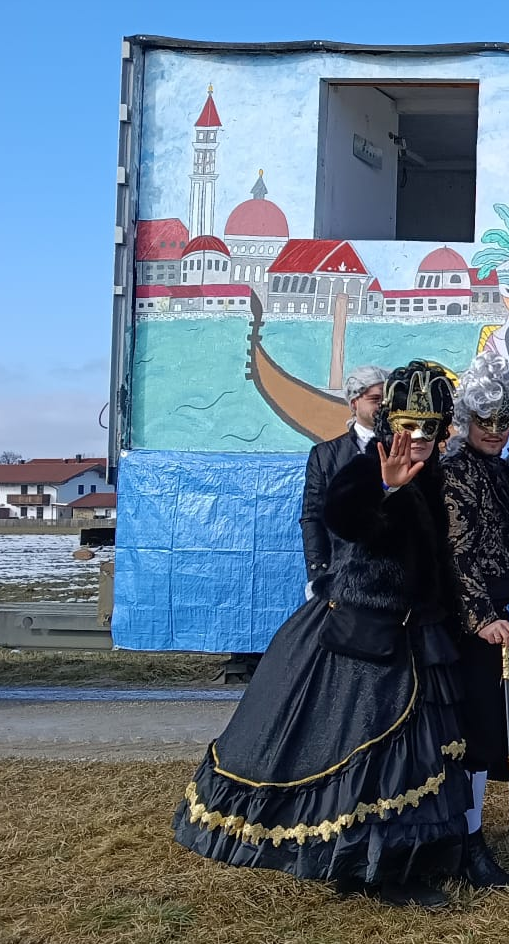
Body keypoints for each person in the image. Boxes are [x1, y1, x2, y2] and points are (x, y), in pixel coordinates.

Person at [174, 363, 472, 907]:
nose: (419, 438)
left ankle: (409, 858)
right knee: (369, 750)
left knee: (412, 754)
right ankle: (371, 869)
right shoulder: (366, 466)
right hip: (364, 637)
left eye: (430, 427)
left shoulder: (433, 476)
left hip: (416, 634)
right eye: (408, 425)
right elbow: (343, 517)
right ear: (388, 422)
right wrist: (385, 486)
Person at [440, 348, 509, 889]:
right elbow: (457, 553)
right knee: (470, 731)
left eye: (503, 420)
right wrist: (480, 616)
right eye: (484, 420)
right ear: (466, 420)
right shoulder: (455, 472)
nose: (494, 431)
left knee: (483, 731)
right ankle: (464, 841)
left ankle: (470, 833)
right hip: (465, 622)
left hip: (498, 610)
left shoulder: (500, 470)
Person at [299, 363, 385, 586]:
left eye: (388, 400)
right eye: (375, 400)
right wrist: (318, 576)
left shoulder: (403, 449)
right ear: (354, 403)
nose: (383, 406)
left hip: (392, 577)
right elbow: (312, 517)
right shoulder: (325, 455)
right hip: (342, 575)